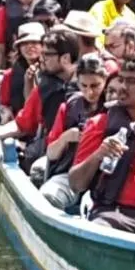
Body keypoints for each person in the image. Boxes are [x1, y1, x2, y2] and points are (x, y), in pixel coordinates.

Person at [69, 56, 135, 233]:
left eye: (131, 81)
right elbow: (76, 184)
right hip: (114, 213)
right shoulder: (99, 123)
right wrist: (99, 154)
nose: (122, 87)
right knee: (99, 231)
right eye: (121, 79)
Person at [0, 28, 81, 174]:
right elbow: (22, 124)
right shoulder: (46, 87)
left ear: (65, 58)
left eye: (47, 54)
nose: (41, 58)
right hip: (51, 155)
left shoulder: (89, 82)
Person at [40, 54, 112, 209]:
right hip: (69, 174)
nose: (89, 92)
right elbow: (51, 153)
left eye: (95, 86)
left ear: (105, 81)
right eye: (84, 86)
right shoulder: (69, 108)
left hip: (105, 179)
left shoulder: (114, 109)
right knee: (49, 196)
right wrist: (65, 138)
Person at [0, 21, 44, 121]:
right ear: (19, 48)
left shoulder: (52, 72)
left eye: (35, 42)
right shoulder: (10, 75)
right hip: (19, 122)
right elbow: (4, 104)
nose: (30, 46)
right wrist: (6, 111)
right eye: (25, 43)